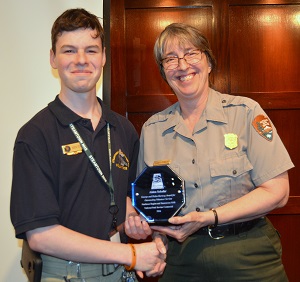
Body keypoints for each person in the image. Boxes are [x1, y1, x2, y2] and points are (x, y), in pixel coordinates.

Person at [125, 23, 294, 281]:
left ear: (209, 62)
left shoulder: (246, 113)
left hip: (248, 253)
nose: (182, 65)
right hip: (182, 258)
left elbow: (278, 192)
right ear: (164, 72)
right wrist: (157, 237)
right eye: (171, 59)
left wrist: (209, 218)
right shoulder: (153, 130)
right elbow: (155, 207)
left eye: (191, 53)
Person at [10, 8, 166, 282]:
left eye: (91, 50)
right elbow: (41, 236)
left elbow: (126, 200)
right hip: (68, 274)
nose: (81, 60)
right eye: (69, 51)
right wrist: (130, 255)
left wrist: (133, 219)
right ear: (53, 59)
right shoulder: (35, 135)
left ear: (103, 56)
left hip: (120, 273)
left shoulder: (123, 129)